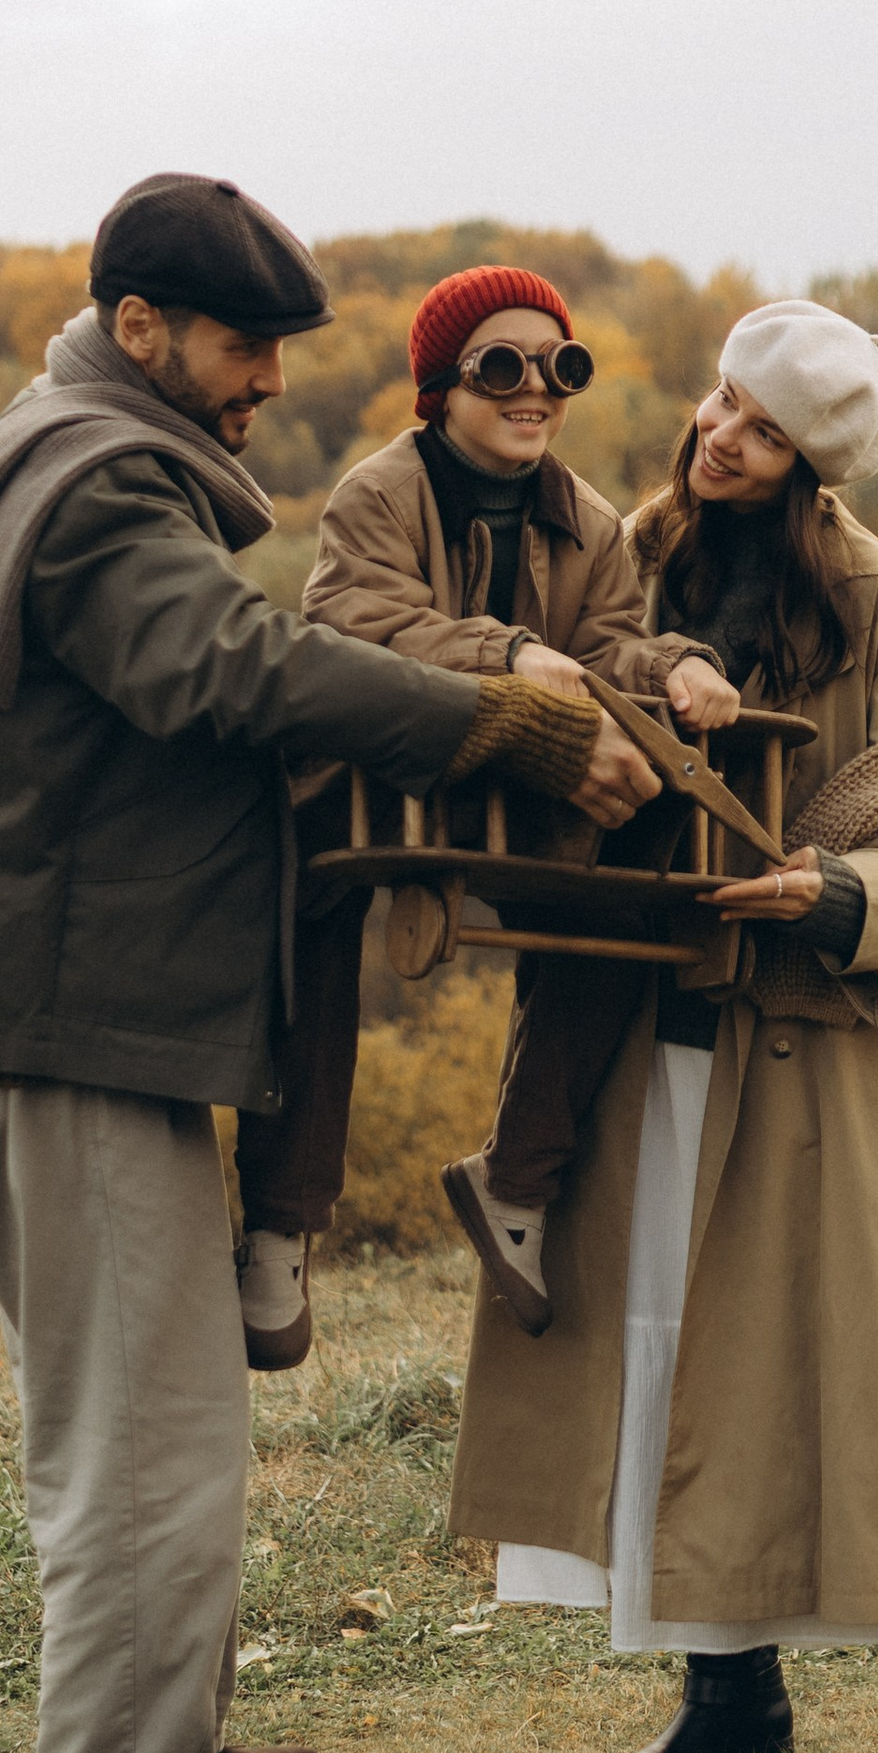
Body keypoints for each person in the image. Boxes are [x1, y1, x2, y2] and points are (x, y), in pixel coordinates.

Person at [0, 173, 662, 1753]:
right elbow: (238, 670)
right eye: (241, 344)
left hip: (68, 1037)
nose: (268, 379)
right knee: (146, 1436)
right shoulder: (92, 490)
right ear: (138, 328)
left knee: (160, 1416)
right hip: (59, 1048)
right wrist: (505, 723)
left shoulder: (58, 439)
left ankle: (158, 1742)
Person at [447, 298, 878, 1753]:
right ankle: (730, 1700)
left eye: (760, 429)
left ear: (816, 463)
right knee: (672, 1356)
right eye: (720, 402)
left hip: (804, 1040)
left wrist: (831, 890)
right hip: (637, 1027)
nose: (718, 436)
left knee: (877, 1380)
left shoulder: (873, 599)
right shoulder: (636, 552)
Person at [229, 260, 739, 1362]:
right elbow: (354, 617)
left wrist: (681, 667)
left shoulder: (589, 522)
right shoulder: (380, 491)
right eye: (501, 366)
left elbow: (608, 651)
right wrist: (504, 654)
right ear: (440, 389)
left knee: (645, 850)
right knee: (306, 893)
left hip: (519, 788)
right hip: (382, 770)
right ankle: (283, 1214)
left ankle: (518, 1178)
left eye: (560, 367)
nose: (534, 390)